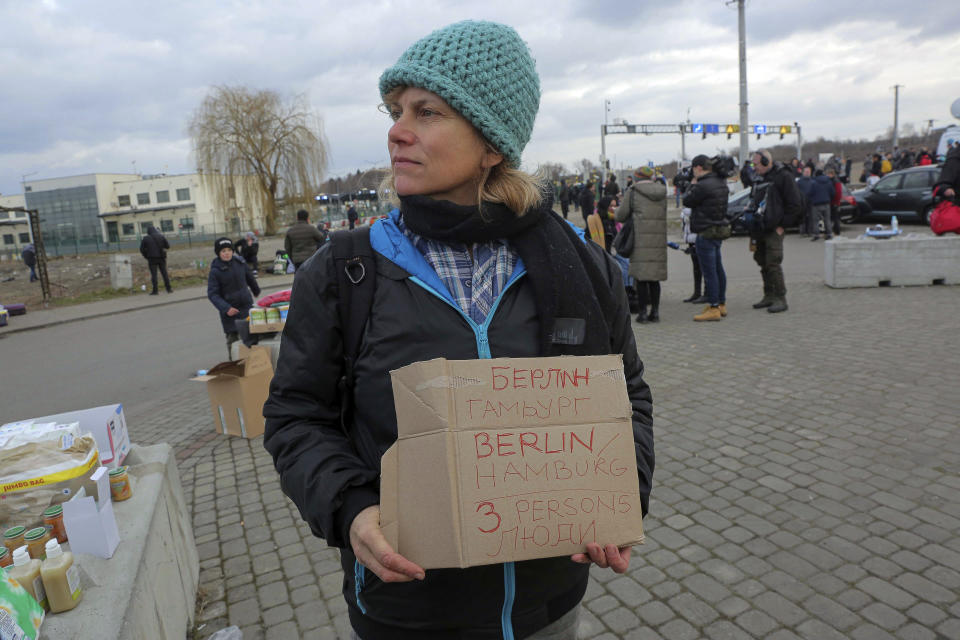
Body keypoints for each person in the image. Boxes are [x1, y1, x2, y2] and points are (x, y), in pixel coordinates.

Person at [262, 20, 654, 640]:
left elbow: (625, 397)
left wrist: (620, 495)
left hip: (547, 608)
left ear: (492, 143)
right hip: (409, 611)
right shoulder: (343, 273)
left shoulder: (581, 265)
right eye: (396, 111)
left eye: (428, 111)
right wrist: (352, 508)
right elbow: (295, 417)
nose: (397, 129)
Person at [748, 150, 801, 314]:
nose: (754, 168)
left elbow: (795, 204)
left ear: (766, 161)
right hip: (759, 227)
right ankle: (769, 295)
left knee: (773, 262)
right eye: (752, 165)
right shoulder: (758, 178)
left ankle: (780, 298)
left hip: (774, 228)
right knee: (761, 261)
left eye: (756, 164)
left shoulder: (783, 176)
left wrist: (782, 225)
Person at [616, 166, 667, 323]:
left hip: (640, 239)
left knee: (642, 278)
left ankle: (643, 313)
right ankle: (656, 313)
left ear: (636, 177)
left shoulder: (633, 192)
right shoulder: (662, 191)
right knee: (654, 277)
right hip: (658, 239)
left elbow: (621, 215)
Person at [681, 155, 729, 321]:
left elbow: (687, 201)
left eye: (694, 169)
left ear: (699, 168)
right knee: (718, 268)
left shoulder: (702, 185)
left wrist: (692, 185)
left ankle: (713, 307)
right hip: (718, 229)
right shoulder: (720, 181)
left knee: (709, 272)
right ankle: (721, 303)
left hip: (705, 230)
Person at [207, 237, 261, 352]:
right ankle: (234, 365)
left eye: (229, 250)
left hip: (246, 307)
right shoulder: (215, 271)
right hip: (231, 312)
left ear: (232, 250)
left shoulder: (240, 262)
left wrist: (256, 290)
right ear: (218, 253)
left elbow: (249, 277)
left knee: (251, 341)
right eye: (223, 251)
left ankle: (253, 366)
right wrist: (226, 308)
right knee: (234, 343)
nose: (227, 253)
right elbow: (213, 294)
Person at [679, 208, 704, 302]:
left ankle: (707, 293)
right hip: (692, 237)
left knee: (702, 267)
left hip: (697, 237)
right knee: (697, 268)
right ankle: (697, 292)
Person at [139, 225, 172, 295]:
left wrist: (146, 256)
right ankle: (169, 289)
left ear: (148, 231)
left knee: (154, 275)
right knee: (164, 273)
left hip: (151, 259)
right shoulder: (161, 236)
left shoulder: (145, 238)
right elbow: (168, 246)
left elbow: (141, 249)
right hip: (161, 258)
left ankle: (155, 291)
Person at [809, 169, 834, 241]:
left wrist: (812, 199)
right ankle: (829, 234)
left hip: (816, 204)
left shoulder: (813, 182)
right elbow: (832, 192)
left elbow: (810, 193)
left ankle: (816, 235)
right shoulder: (828, 181)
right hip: (826, 203)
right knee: (827, 219)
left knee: (815, 220)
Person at [825, 167, 843, 237]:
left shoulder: (836, 181)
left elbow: (838, 193)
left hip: (834, 202)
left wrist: (836, 202)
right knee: (831, 218)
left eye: (828, 174)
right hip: (831, 202)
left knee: (835, 219)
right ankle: (832, 232)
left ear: (831, 174)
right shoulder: (831, 181)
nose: (827, 175)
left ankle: (837, 232)